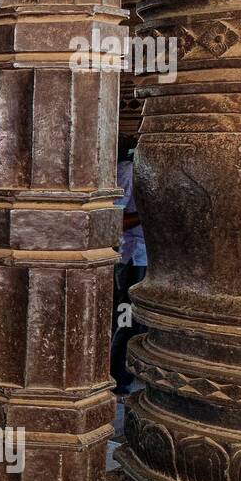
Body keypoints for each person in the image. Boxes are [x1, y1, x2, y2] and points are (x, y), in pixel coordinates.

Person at [111, 143, 148, 394]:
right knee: (124, 319)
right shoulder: (127, 171)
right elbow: (115, 219)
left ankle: (130, 373)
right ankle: (117, 377)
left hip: (145, 258)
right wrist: (149, 215)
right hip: (129, 258)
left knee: (139, 323)